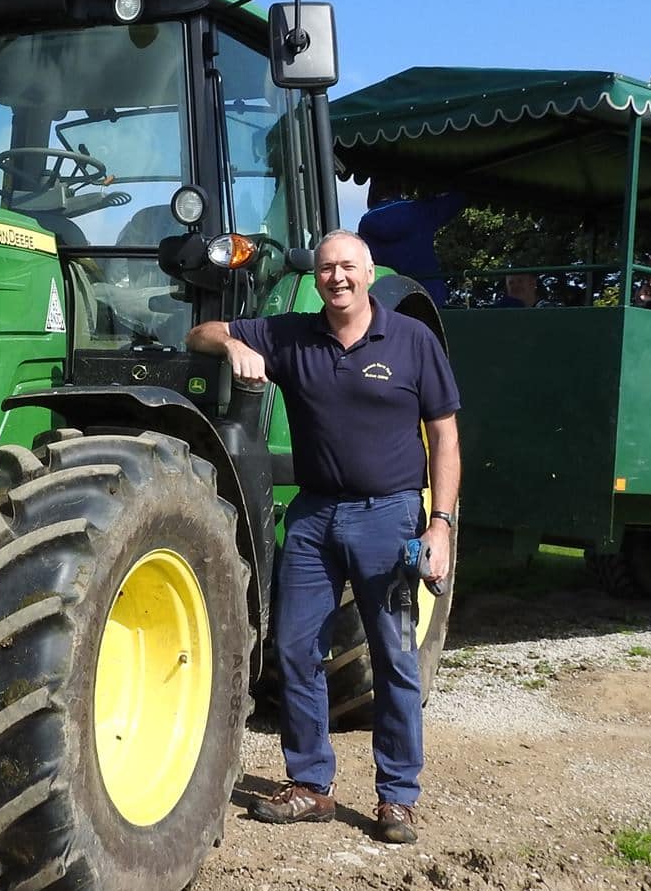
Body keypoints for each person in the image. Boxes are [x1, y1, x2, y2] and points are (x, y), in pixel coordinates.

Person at [187, 230, 460, 844]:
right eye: (326, 268)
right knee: (293, 649)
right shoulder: (291, 334)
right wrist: (232, 343)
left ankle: (397, 796)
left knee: (392, 655)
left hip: (387, 517)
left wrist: (439, 524)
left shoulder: (411, 339)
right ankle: (311, 786)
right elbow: (195, 334)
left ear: (367, 273)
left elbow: (444, 435)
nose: (336, 277)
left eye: (347, 267)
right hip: (312, 518)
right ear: (316, 278)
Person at [357, 182, 465, 306]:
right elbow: (458, 199)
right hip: (427, 295)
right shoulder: (419, 211)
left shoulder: (365, 223)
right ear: (400, 189)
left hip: (385, 298)